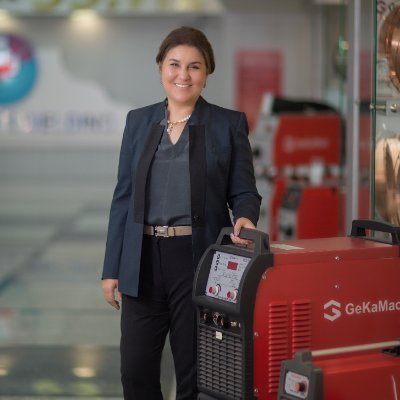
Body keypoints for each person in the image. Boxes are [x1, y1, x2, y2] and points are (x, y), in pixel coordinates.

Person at [101, 26, 261, 400]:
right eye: (174, 64)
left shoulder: (228, 124)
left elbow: (244, 190)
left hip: (198, 259)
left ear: (207, 73)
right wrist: (111, 268)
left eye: (194, 66)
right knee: (135, 369)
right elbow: (123, 198)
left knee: (194, 371)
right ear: (161, 67)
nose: (183, 75)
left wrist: (245, 216)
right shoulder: (138, 122)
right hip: (142, 260)